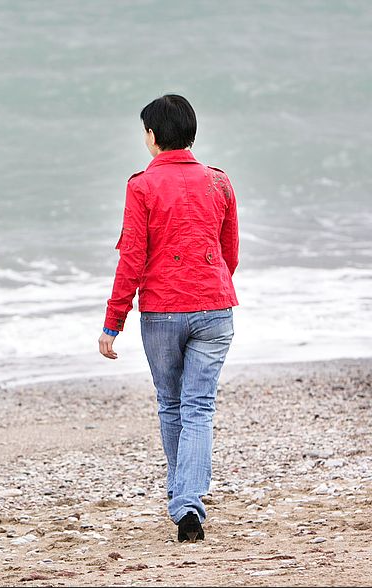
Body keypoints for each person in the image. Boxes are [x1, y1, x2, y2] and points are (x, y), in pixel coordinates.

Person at [98, 94, 239, 543]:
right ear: (191, 134)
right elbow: (229, 251)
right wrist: (209, 286)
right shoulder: (219, 182)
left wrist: (112, 323)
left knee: (172, 403)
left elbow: (132, 259)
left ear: (153, 136)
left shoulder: (141, 186)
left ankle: (184, 503)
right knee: (199, 406)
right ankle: (187, 501)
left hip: (162, 310)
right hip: (215, 306)